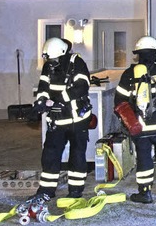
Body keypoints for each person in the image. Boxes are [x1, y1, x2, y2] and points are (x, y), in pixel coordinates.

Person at [114, 36, 156, 203]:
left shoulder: (128, 74)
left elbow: (119, 103)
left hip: (140, 128)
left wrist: (128, 122)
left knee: (143, 158)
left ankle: (145, 193)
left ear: (138, 54)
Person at [29, 37, 92, 200]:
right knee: (50, 154)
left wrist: (57, 99)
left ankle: (76, 191)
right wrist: (42, 101)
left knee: (77, 155)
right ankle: (46, 191)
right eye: (49, 59)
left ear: (63, 54)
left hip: (77, 119)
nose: (52, 62)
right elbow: (43, 86)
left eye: (54, 59)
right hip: (57, 120)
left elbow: (82, 87)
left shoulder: (77, 63)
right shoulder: (49, 64)